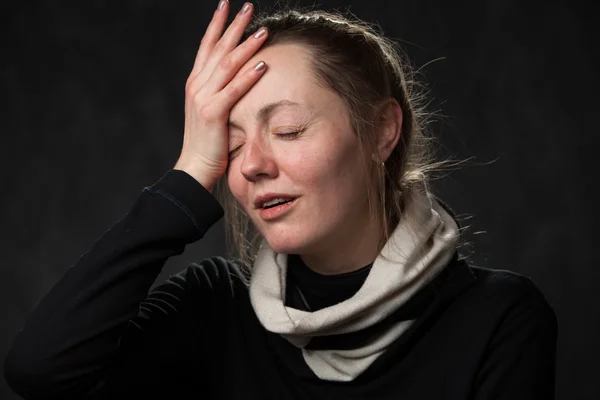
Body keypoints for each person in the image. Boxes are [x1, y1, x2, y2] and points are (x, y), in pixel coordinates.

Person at [4, 1, 558, 399]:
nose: (251, 165)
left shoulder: (498, 318)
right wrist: (190, 174)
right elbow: (41, 371)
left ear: (383, 131)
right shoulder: (215, 307)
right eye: (232, 142)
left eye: (289, 129)